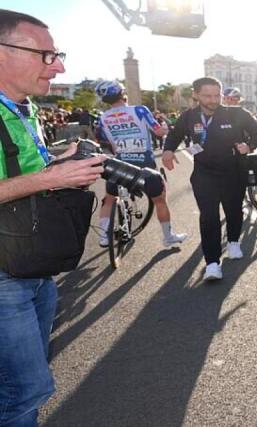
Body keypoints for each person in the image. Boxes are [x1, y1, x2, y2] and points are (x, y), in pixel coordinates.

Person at [0, 9, 106, 425]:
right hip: (6, 275)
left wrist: (59, 164)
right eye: (46, 55)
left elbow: (21, 171)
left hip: (30, 267)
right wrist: (51, 176)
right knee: (24, 391)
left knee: (21, 386)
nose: (58, 65)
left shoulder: (21, 109)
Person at [162, 77, 257, 281]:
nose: (213, 100)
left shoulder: (237, 113)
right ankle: (212, 263)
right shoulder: (189, 116)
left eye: (216, 95)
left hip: (233, 172)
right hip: (204, 174)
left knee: (233, 209)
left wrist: (249, 146)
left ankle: (234, 242)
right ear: (196, 95)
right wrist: (167, 150)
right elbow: (174, 136)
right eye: (207, 96)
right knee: (209, 217)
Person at [93, 80, 186, 249]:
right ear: (123, 94)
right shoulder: (139, 110)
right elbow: (158, 131)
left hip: (120, 162)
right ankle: (168, 237)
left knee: (109, 199)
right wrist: (165, 127)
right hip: (144, 162)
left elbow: (108, 144)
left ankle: (104, 237)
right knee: (159, 199)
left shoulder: (103, 117)